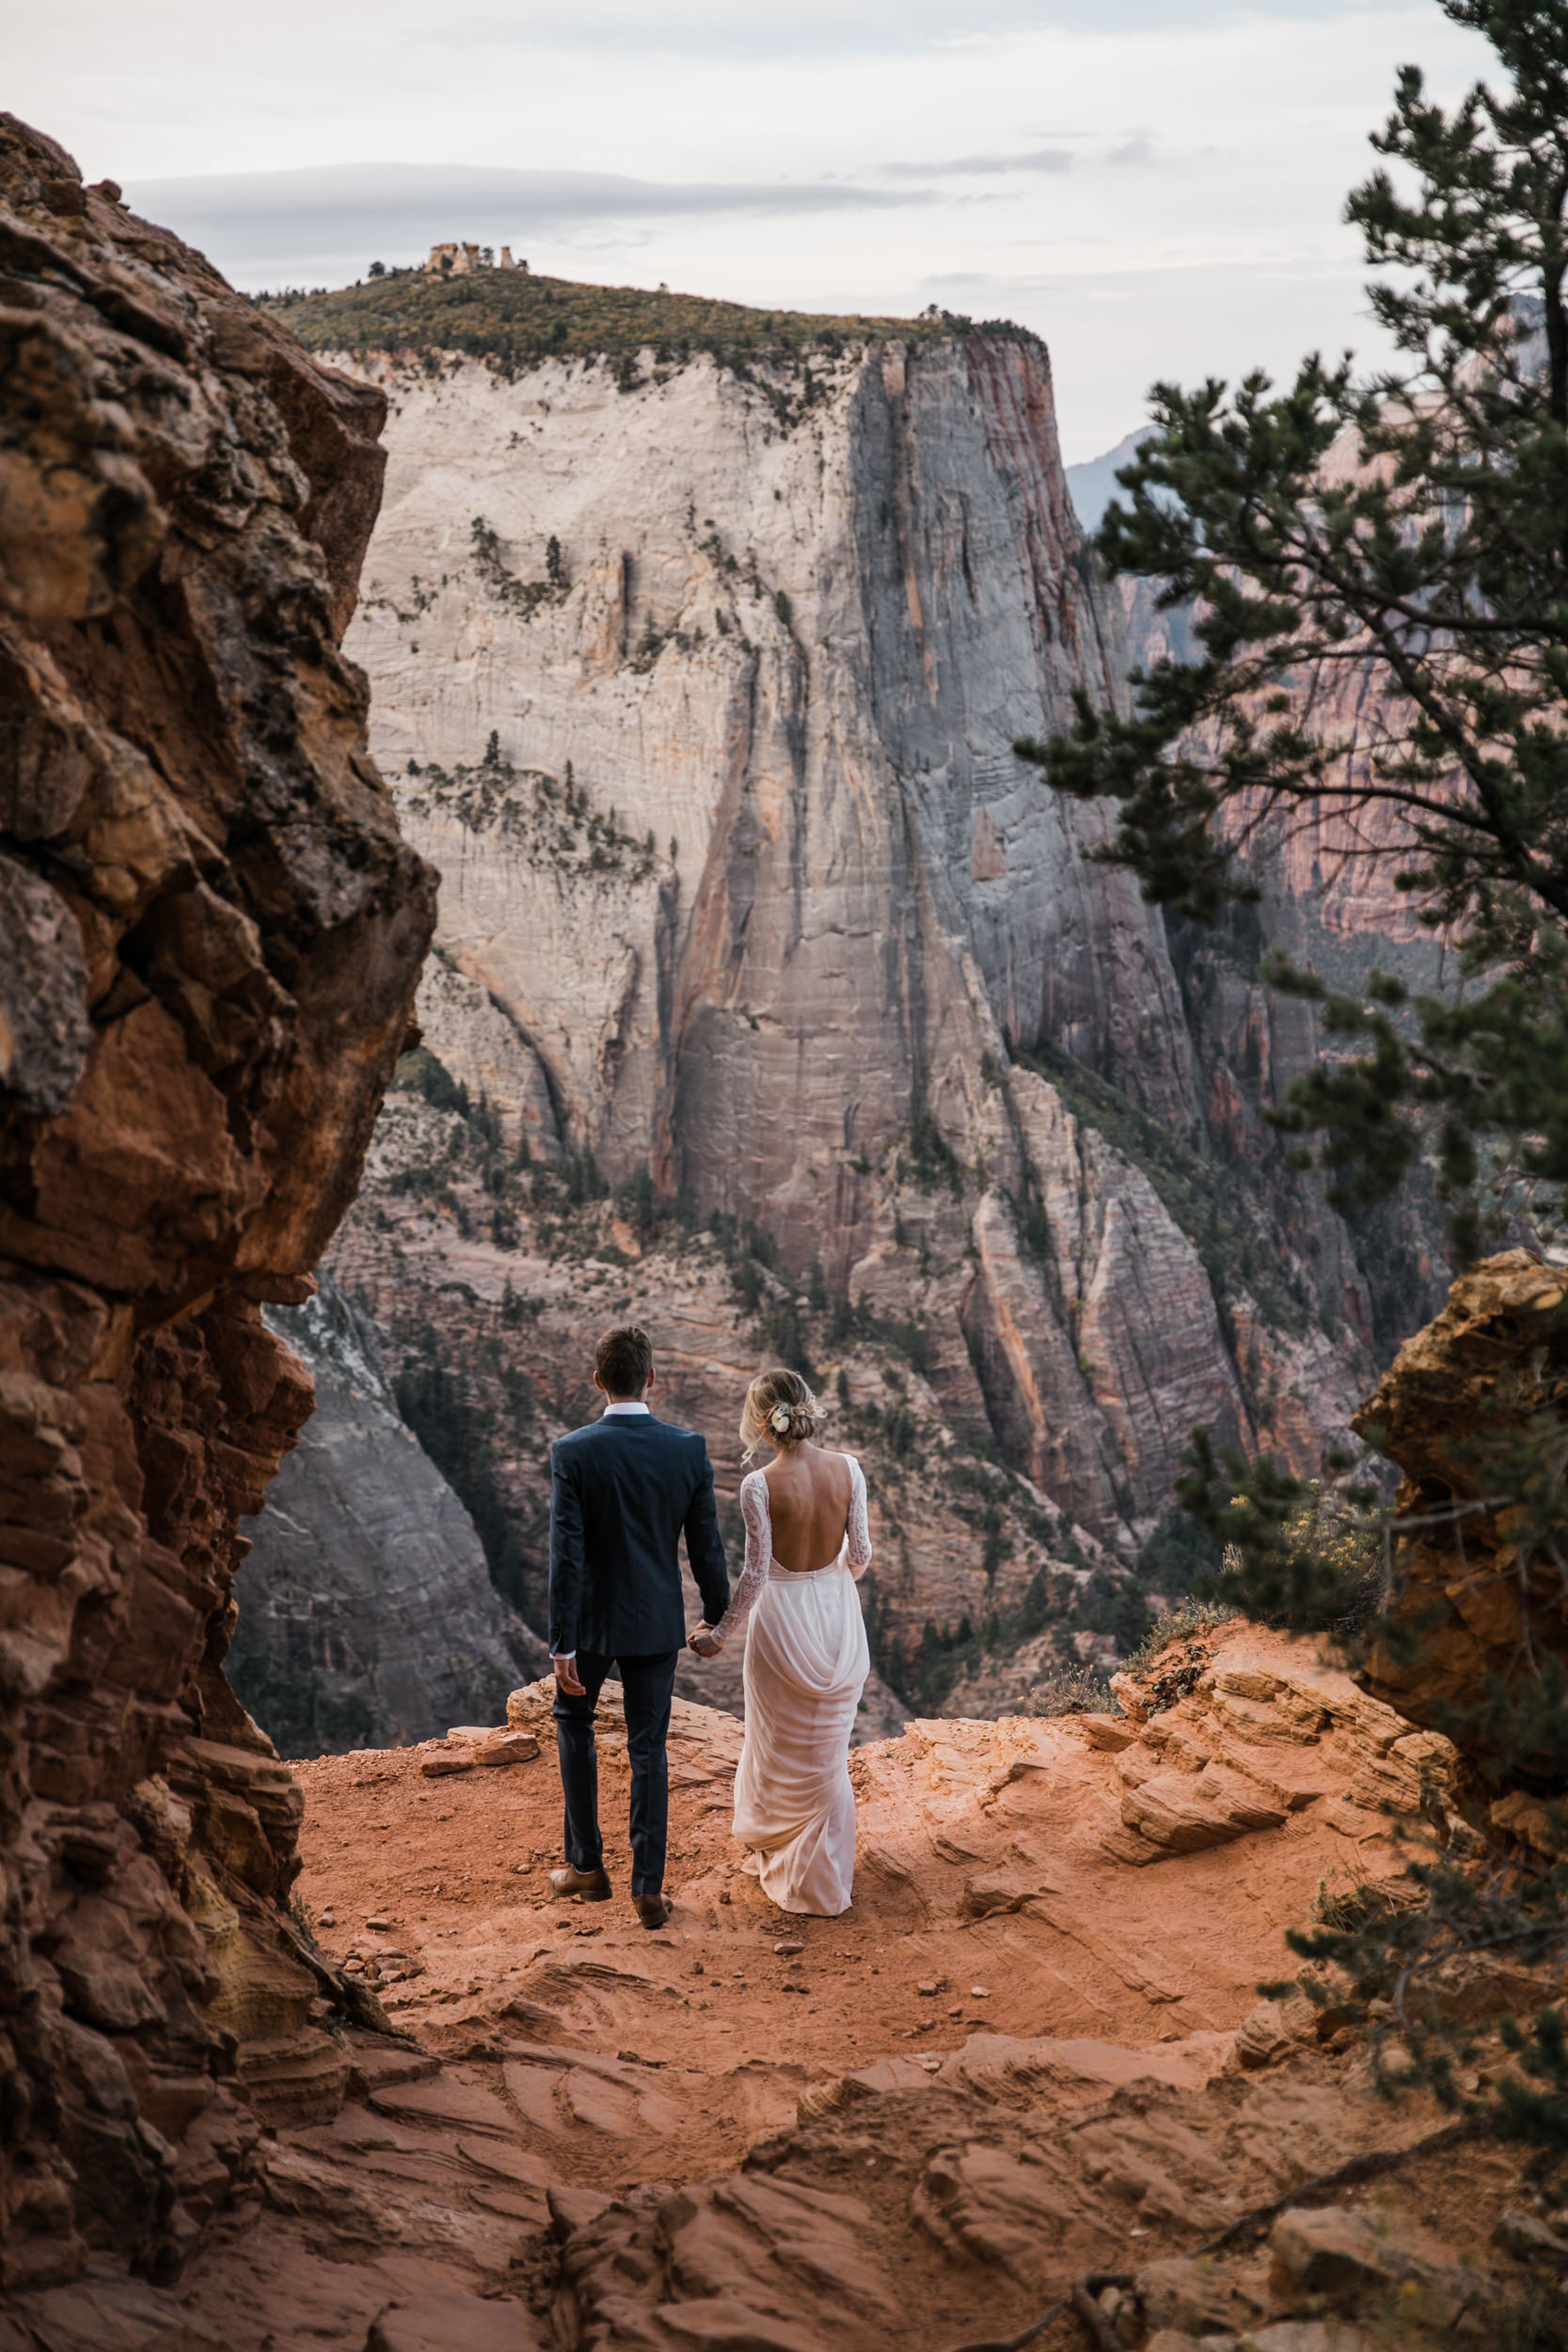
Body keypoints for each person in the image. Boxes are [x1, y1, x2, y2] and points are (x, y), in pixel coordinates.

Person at [547, 1324, 729, 1929]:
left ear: (598, 1381)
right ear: (651, 1377)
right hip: (655, 1622)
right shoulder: (688, 1448)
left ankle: (586, 1867)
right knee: (648, 1747)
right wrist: (716, 1611)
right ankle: (648, 1888)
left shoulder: (573, 1451)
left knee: (573, 1723)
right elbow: (706, 1544)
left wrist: (562, 1642)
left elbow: (566, 1555)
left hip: (592, 1625)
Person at [688, 1368, 871, 1916]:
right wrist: (829, 1580)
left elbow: (757, 1574)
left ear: (759, 1422)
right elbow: (859, 1557)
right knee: (827, 1754)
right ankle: (828, 1876)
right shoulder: (850, 1469)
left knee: (776, 1746)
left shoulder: (757, 1485)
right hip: (838, 1621)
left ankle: (785, 1859)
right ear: (807, 1408)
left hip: (781, 1625)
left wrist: (718, 1636)